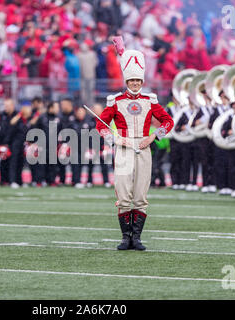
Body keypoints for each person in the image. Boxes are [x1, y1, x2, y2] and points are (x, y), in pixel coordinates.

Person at [96, 38, 174, 251]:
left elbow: (169, 121)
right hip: (122, 151)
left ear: (141, 81)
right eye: (132, 82)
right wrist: (113, 139)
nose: (135, 85)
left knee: (140, 196)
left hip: (144, 149)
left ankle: (136, 238)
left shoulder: (151, 101)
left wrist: (152, 137)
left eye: (138, 81)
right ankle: (125, 237)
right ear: (126, 81)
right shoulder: (115, 101)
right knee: (123, 197)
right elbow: (100, 124)